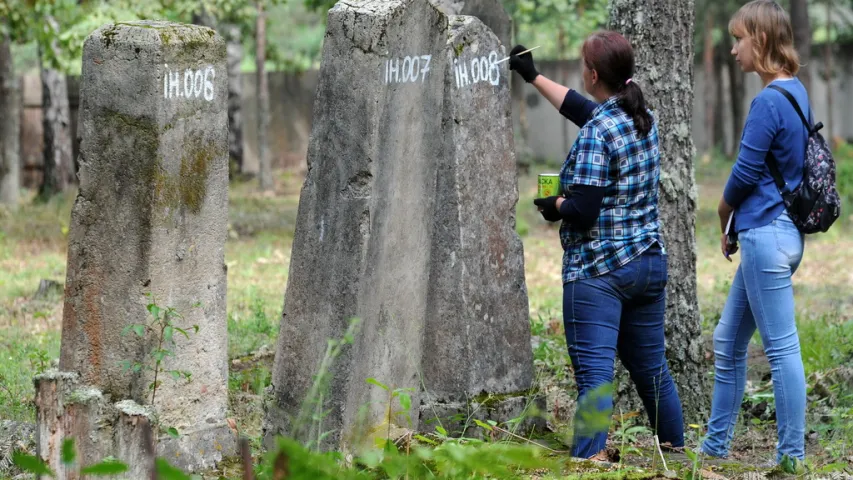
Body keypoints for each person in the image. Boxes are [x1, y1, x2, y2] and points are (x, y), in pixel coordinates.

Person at [508, 32, 684, 459]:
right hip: (646, 264)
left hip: (599, 272)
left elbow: (583, 209)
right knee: (652, 371)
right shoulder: (641, 116)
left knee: (595, 378)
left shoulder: (596, 135)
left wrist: (554, 206)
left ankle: (590, 458)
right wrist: (533, 77)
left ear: (591, 73)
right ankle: (677, 455)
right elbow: (585, 110)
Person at [701, 0, 809, 468]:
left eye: (739, 38)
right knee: (727, 341)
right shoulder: (796, 90)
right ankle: (714, 448)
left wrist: (721, 213)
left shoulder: (767, 101)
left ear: (760, 41)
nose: (732, 49)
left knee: (781, 349)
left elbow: (743, 176)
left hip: (765, 236)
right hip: (780, 234)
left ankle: (791, 458)